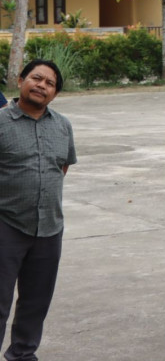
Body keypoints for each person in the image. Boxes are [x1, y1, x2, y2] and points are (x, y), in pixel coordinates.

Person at [0, 60, 75, 361]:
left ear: (55, 93)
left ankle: (23, 353)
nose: (42, 85)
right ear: (20, 80)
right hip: (6, 224)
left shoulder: (62, 125)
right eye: (36, 78)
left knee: (36, 300)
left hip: (49, 227)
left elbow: (63, 166)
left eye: (50, 83)